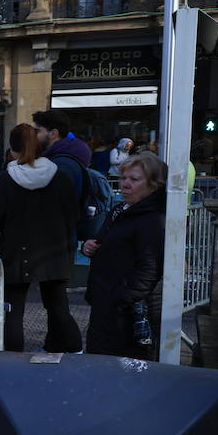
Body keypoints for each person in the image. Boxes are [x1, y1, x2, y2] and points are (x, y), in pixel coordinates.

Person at [0, 124, 81, 353]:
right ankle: (69, 348)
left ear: (12, 148)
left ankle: (12, 356)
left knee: (12, 310)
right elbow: (73, 215)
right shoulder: (59, 176)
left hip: (17, 251)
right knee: (58, 305)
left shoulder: (6, 180)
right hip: (54, 251)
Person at [81, 151, 166, 359]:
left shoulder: (152, 219)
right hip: (106, 305)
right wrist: (90, 246)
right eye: (124, 178)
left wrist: (120, 299)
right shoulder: (121, 209)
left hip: (122, 315)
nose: (126, 184)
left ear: (153, 184)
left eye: (134, 179)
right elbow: (103, 240)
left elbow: (149, 268)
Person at [32, 109, 92, 206]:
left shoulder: (61, 165)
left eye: (37, 131)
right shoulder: (62, 158)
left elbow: (52, 204)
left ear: (53, 134)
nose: (34, 136)